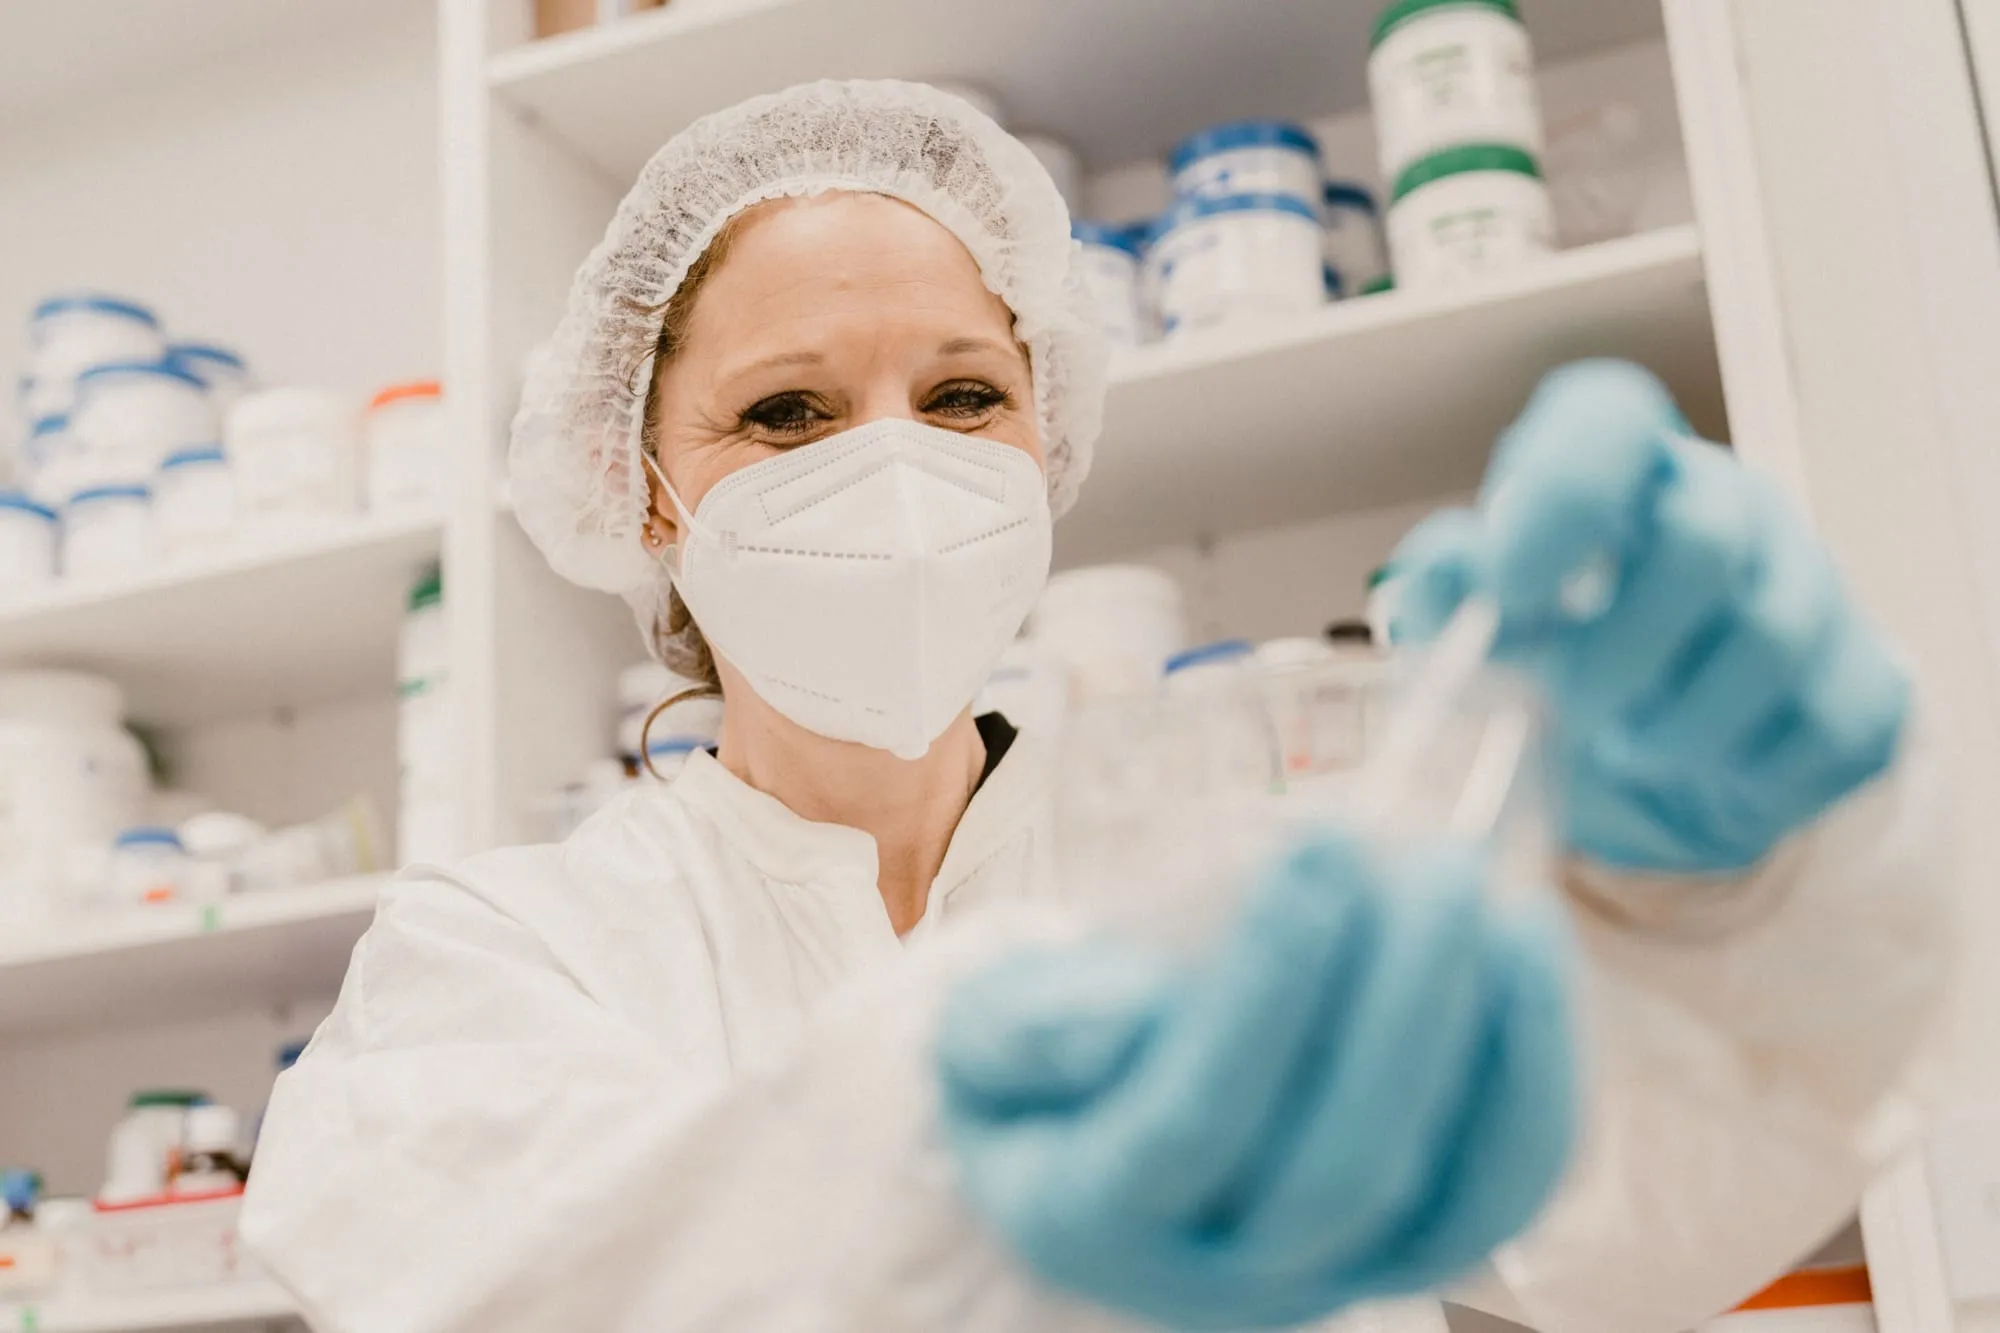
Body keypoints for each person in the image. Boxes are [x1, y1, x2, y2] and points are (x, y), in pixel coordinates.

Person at [241, 80, 1955, 1333]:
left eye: (965, 391)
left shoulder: (1265, 867)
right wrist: (982, 1164)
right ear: (646, 490)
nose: (895, 461)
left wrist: (1738, 900)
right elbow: (510, 1287)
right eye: (785, 413)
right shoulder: (503, 950)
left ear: (1046, 443)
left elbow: (1633, 1210)